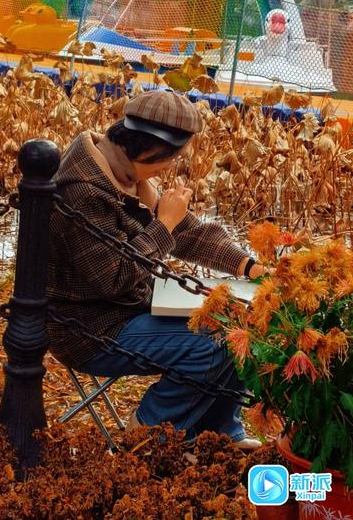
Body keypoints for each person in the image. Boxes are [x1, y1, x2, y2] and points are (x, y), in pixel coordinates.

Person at [47, 89, 267, 449]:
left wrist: (249, 266)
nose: (169, 169)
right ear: (148, 148)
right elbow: (112, 279)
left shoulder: (126, 168)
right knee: (214, 345)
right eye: (169, 159)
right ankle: (149, 433)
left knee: (237, 323)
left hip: (126, 311)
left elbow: (189, 233)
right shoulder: (85, 191)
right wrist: (162, 226)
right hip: (89, 328)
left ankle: (219, 433)